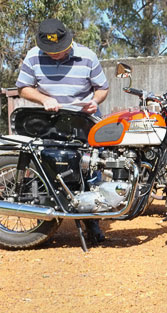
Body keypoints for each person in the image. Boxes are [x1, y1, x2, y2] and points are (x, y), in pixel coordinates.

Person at [15, 18, 110, 242]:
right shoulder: (32, 56)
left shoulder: (87, 56)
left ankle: (92, 221)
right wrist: (43, 98)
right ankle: (46, 217)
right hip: (51, 121)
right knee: (50, 166)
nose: (55, 54)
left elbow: (102, 88)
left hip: (84, 119)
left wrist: (94, 101)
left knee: (90, 169)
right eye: (50, 51)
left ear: (68, 40)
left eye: (58, 50)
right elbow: (23, 88)